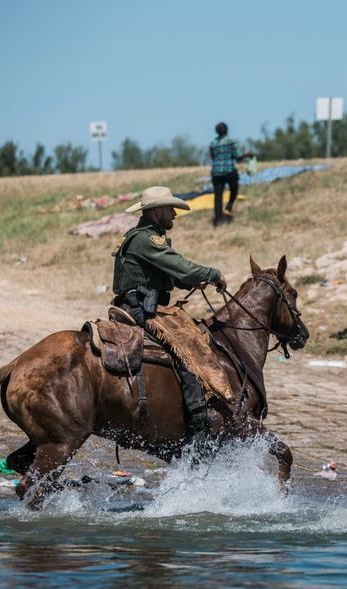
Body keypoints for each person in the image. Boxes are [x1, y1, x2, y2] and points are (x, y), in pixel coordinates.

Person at [112, 185, 228, 438]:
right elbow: (179, 265)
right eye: (171, 209)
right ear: (157, 211)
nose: (175, 214)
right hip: (141, 309)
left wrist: (188, 283)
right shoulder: (147, 239)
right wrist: (212, 274)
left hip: (140, 304)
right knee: (189, 349)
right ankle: (198, 423)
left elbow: (167, 274)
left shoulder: (143, 235)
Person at [209, 122, 254, 227]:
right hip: (229, 170)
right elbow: (237, 156)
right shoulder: (231, 141)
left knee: (218, 196)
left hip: (216, 172)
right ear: (227, 130)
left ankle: (217, 221)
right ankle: (229, 207)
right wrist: (248, 155)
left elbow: (213, 157)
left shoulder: (213, 143)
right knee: (234, 189)